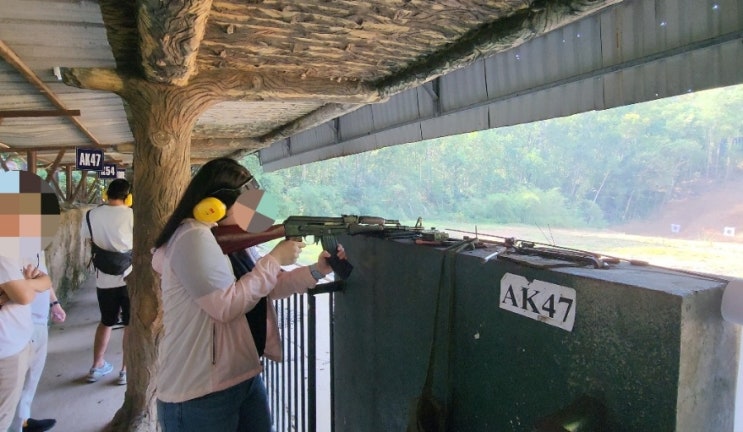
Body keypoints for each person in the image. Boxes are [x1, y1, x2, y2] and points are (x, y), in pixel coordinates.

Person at [152, 157, 346, 432]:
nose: (253, 213)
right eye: (246, 206)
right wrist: (274, 259)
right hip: (199, 392)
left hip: (242, 376)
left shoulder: (230, 240)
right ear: (214, 206)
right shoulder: (192, 238)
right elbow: (226, 306)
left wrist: (316, 270)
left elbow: (266, 286)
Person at [80, 178, 133, 385]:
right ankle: (125, 370)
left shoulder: (91, 214)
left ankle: (97, 365)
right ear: (128, 197)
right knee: (129, 325)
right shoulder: (132, 215)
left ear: (106, 194)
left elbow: (88, 239)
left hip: (103, 279)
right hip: (129, 276)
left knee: (106, 321)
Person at [9, 254, 66, 432]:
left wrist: (54, 303)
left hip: (40, 320)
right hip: (22, 323)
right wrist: (36, 283)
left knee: (31, 378)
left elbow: (44, 277)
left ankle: (22, 420)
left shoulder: (34, 246)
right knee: (17, 382)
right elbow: (22, 289)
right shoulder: (10, 251)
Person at [0, 257, 52, 431]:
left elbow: (46, 280)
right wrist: (24, 286)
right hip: (8, 348)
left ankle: (22, 421)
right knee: (3, 417)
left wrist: (21, 285)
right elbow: (25, 296)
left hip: (18, 340)